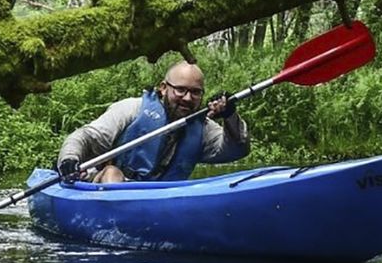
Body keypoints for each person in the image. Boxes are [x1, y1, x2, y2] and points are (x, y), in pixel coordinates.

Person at [56, 61, 249, 183]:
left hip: (162, 199)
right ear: (164, 88)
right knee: (112, 173)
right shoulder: (131, 109)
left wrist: (230, 115)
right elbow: (85, 137)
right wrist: (69, 159)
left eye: (195, 92)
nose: (188, 98)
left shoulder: (203, 128)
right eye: (180, 90)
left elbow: (238, 149)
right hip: (113, 186)